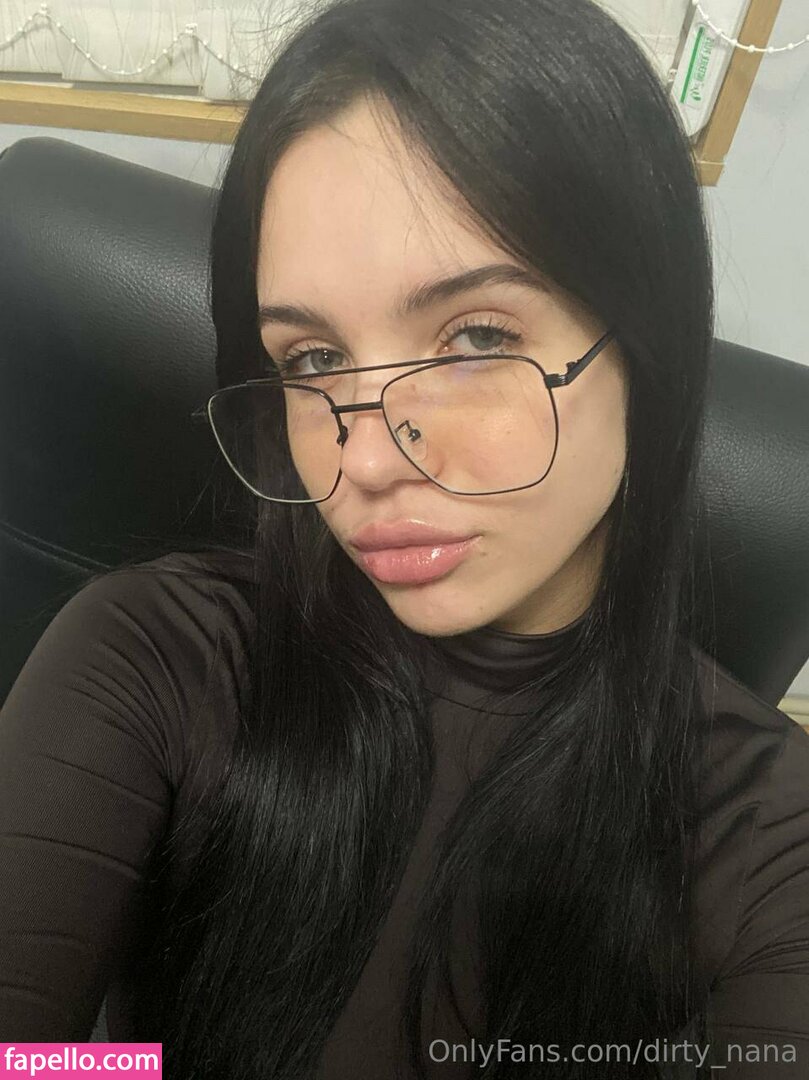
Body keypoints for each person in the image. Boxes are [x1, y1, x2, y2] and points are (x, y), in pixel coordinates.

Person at [0, 0, 808, 1076]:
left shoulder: (765, 838)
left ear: (646, 352)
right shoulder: (162, 657)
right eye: (313, 361)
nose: (367, 459)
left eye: (474, 338)